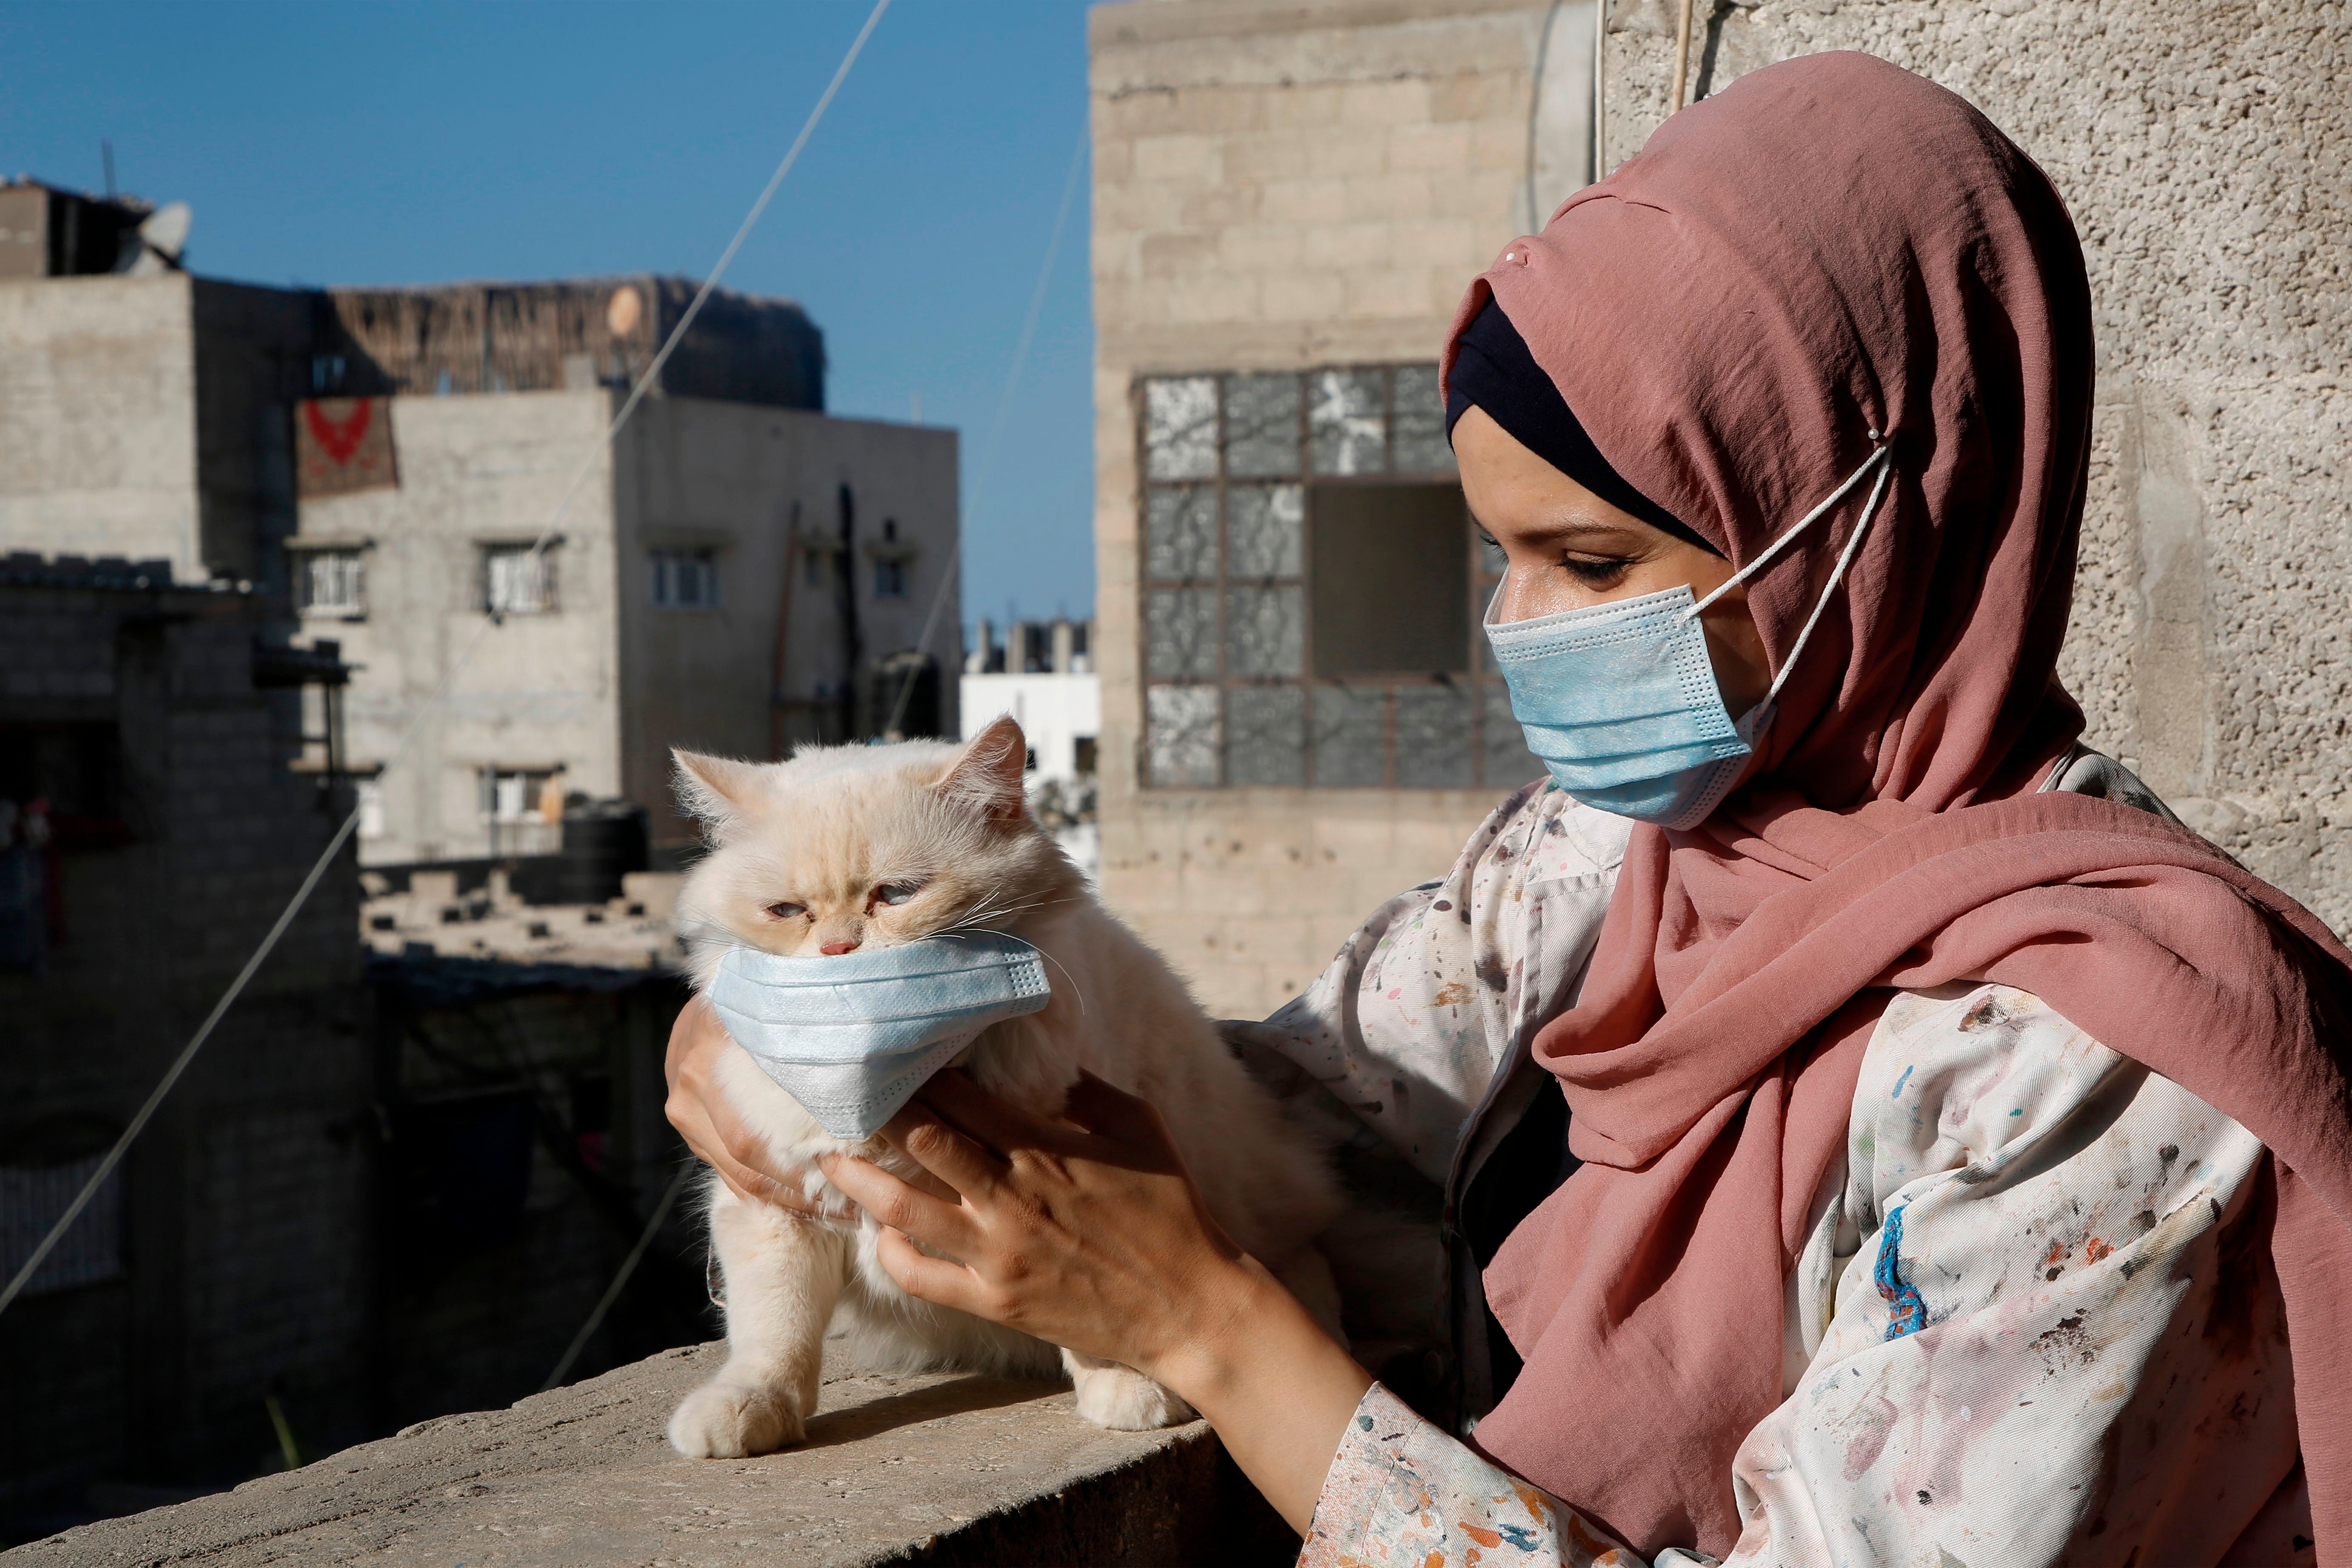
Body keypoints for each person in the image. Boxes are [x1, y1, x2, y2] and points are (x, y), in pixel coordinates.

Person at [664, 53, 2352, 1566]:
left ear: (1877, 516)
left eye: (1597, 561)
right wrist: (828, 1050)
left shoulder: (2094, 1075)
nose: (1520, 630)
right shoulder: (1613, 861)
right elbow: (1291, 1091)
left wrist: (1213, 1330)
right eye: (1506, 555)